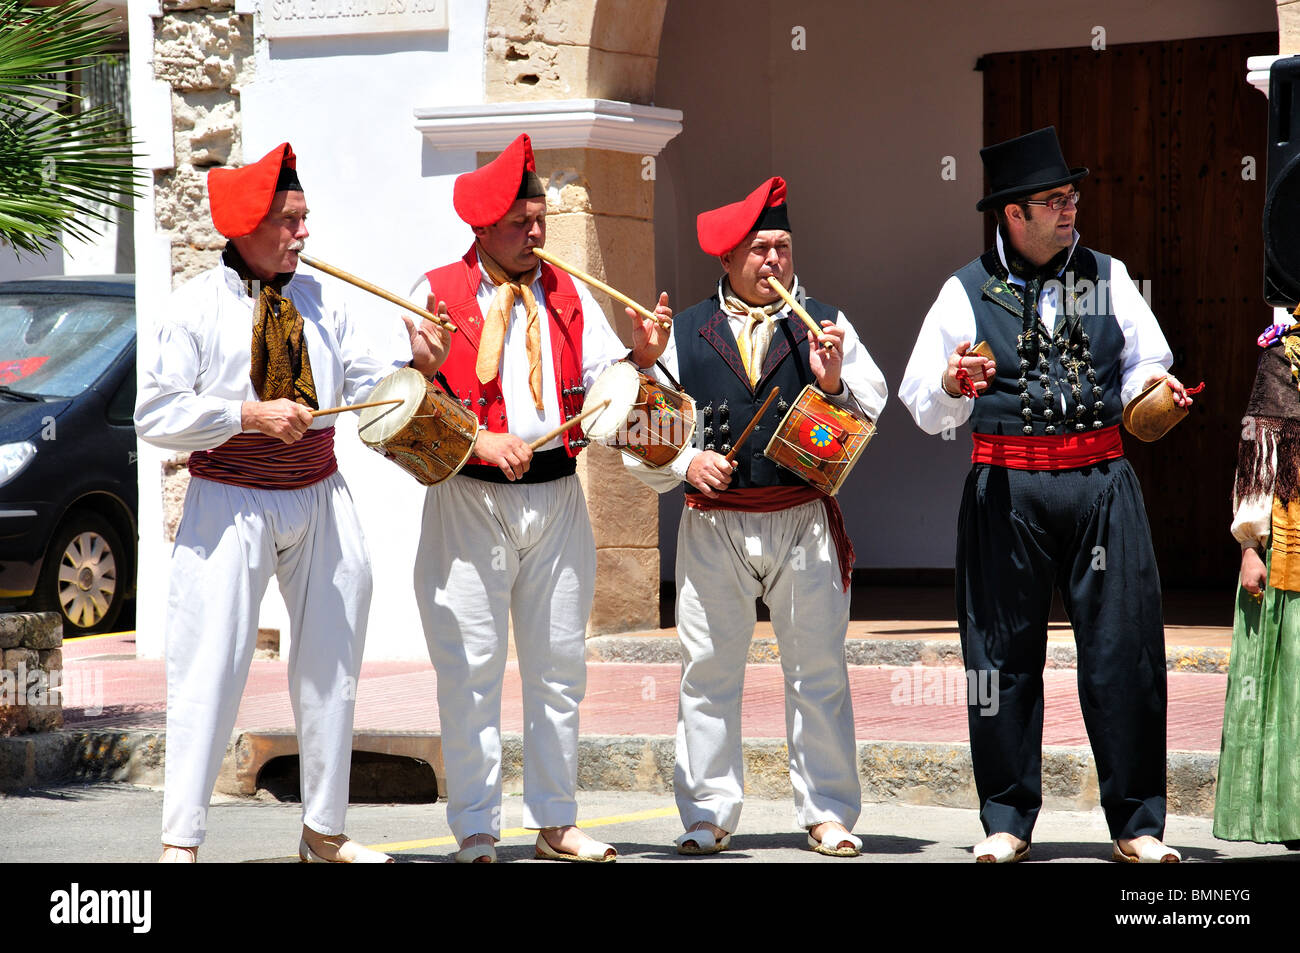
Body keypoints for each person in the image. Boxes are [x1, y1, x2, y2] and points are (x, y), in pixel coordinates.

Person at [135, 142, 447, 862]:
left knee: (331, 667)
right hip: (230, 500)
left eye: (305, 218)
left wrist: (418, 369)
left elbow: (371, 391)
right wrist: (248, 414)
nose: (304, 234)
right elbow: (155, 414)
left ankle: (324, 832)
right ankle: (180, 841)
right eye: (289, 220)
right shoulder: (193, 308)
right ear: (246, 225)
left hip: (319, 492)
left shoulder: (322, 299)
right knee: (208, 667)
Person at [899, 127, 1191, 863]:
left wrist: (1158, 393)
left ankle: (1137, 824)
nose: (1071, 209)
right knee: (998, 657)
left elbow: (1144, 366)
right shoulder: (962, 291)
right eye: (1054, 200)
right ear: (1012, 215)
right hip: (1007, 492)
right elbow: (922, 403)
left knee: (1124, 653)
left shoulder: (1108, 273)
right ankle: (1005, 818)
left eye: (1072, 196)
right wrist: (950, 384)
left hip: (1102, 485)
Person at [412, 133, 672, 863]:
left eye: (540, 220)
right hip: (471, 497)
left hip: (558, 492)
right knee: (470, 667)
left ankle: (557, 819)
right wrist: (474, 439)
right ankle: (476, 826)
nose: (535, 234)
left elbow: (605, 391)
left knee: (559, 665)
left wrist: (641, 361)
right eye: (520, 224)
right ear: (482, 228)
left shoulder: (570, 291)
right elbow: (402, 407)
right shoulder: (436, 289)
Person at [622, 176, 887, 857]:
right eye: (760, 248)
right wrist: (686, 465)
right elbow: (640, 425)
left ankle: (828, 811)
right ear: (727, 257)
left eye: (784, 247)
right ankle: (707, 813)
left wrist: (830, 380)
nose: (775, 262)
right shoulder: (683, 331)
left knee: (819, 668)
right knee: (708, 669)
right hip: (715, 524)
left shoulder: (825, 323)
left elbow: (870, 409)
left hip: (801, 517)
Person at [1216, 324, 1300, 848]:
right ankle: (1286, 813)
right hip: (1290, 540)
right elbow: (1260, 463)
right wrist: (1250, 546)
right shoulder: (1280, 360)